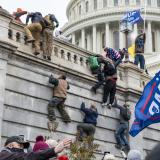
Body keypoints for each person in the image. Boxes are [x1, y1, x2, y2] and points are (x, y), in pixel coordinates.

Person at [0, 135, 71, 160]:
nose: (21, 149)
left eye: (23, 147)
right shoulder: (4, 155)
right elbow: (27, 157)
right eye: (19, 146)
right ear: (10, 145)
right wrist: (54, 150)